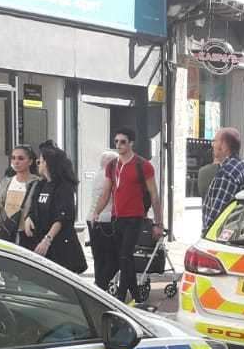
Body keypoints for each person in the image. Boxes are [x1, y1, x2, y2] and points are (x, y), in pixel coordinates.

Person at [90, 128, 163, 303]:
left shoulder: (143, 165)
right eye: (116, 142)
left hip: (135, 217)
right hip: (117, 217)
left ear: (131, 143)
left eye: (122, 142)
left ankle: (121, 297)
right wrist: (96, 212)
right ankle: (136, 295)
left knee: (125, 255)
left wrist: (158, 223)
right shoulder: (112, 165)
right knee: (124, 257)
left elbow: (154, 194)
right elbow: (106, 192)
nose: (118, 145)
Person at [25, 142, 87, 274]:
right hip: (40, 237)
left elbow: (63, 216)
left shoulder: (64, 187)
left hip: (58, 243)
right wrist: (28, 218)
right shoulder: (40, 184)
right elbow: (33, 206)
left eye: (39, 161)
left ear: (47, 163)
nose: (38, 164)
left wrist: (47, 239)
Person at [202, 127, 244, 233]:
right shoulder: (243, 167)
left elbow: (217, 215)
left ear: (224, 146)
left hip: (222, 237)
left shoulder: (227, 173)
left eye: (215, 141)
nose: (213, 145)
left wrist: (206, 236)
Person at [0, 145, 39, 247]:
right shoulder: (7, 181)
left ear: (30, 161)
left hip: (27, 235)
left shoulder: (37, 183)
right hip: (7, 233)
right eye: (13, 158)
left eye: (21, 158)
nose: (16, 162)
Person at [89, 150, 120, 290]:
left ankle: (99, 283)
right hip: (106, 220)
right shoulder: (109, 176)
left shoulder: (97, 175)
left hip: (92, 219)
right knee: (113, 257)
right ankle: (101, 284)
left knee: (99, 257)